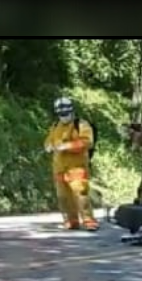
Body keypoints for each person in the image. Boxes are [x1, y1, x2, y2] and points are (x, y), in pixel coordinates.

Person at [43, 97, 99, 231]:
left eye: (66, 114)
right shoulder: (55, 126)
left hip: (77, 168)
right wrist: (48, 146)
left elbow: (87, 142)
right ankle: (71, 221)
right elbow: (48, 141)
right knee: (63, 198)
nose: (64, 117)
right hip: (59, 168)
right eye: (61, 114)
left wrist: (67, 146)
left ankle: (89, 221)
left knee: (81, 195)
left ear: (72, 111)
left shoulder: (81, 125)